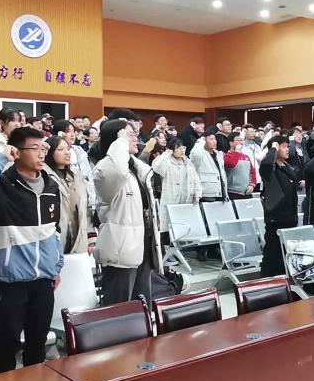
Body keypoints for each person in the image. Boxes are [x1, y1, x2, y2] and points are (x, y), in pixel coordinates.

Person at [0, 127, 63, 372]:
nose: (42, 154)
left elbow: (54, 230)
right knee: (7, 345)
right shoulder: (3, 184)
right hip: (12, 280)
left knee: (37, 344)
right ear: (17, 152)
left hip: (44, 279)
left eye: (44, 149)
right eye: (35, 148)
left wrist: (56, 266)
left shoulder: (51, 185)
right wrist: (0, 158)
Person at [91, 119, 160, 305]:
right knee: (119, 307)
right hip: (120, 249)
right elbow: (116, 172)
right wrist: (121, 141)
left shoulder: (136, 168)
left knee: (142, 304)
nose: (136, 138)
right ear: (116, 140)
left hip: (142, 243)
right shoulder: (105, 168)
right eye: (129, 135)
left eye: (135, 134)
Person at [259, 135, 299, 277]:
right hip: (275, 219)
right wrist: (273, 148)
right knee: (272, 255)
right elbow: (265, 164)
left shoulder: (287, 167)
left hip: (290, 217)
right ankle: (267, 284)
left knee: (285, 256)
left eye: (287, 146)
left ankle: (284, 283)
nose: (287, 149)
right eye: (283, 146)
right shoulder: (270, 168)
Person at [43, 136, 90, 254]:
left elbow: (86, 209)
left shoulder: (77, 176)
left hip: (77, 234)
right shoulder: (44, 176)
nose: (67, 152)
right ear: (50, 153)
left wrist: (91, 237)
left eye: (68, 149)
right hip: (55, 236)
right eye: (60, 149)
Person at [151, 138, 202, 243]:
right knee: (169, 223)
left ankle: (181, 244)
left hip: (186, 198)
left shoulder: (187, 162)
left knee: (183, 223)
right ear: (172, 150)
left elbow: (196, 179)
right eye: (178, 148)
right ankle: (169, 245)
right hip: (171, 197)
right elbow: (156, 167)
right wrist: (166, 154)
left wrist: (197, 193)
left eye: (183, 148)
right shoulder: (167, 162)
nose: (182, 150)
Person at [191, 131, 229, 202]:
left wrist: (225, 193)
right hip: (206, 194)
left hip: (220, 192)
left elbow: (222, 174)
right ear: (204, 141)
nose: (214, 141)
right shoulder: (200, 154)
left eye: (215, 139)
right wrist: (200, 141)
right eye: (211, 139)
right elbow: (195, 154)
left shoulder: (218, 154)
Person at [224, 131, 257, 200]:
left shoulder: (246, 157)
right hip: (232, 192)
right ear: (231, 143)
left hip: (247, 192)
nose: (241, 142)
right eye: (238, 140)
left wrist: (252, 185)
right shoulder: (226, 156)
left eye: (242, 140)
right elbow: (231, 164)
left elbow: (252, 173)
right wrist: (237, 151)